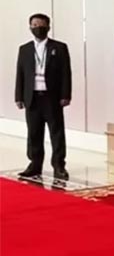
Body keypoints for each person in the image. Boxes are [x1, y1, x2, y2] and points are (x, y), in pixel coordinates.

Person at [14, 13, 72, 180]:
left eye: (41, 25)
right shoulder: (24, 49)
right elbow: (20, 74)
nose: (37, 28)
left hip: (52, 97)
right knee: (33, 133)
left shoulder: (59, 48)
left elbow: (66, 73)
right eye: (34, 25)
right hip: (32, 97)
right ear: (30, 27)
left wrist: (65, 94)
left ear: (48, 27)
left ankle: (59, 165)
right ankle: (35, 164)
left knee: (56, 133)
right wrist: (19, 96)